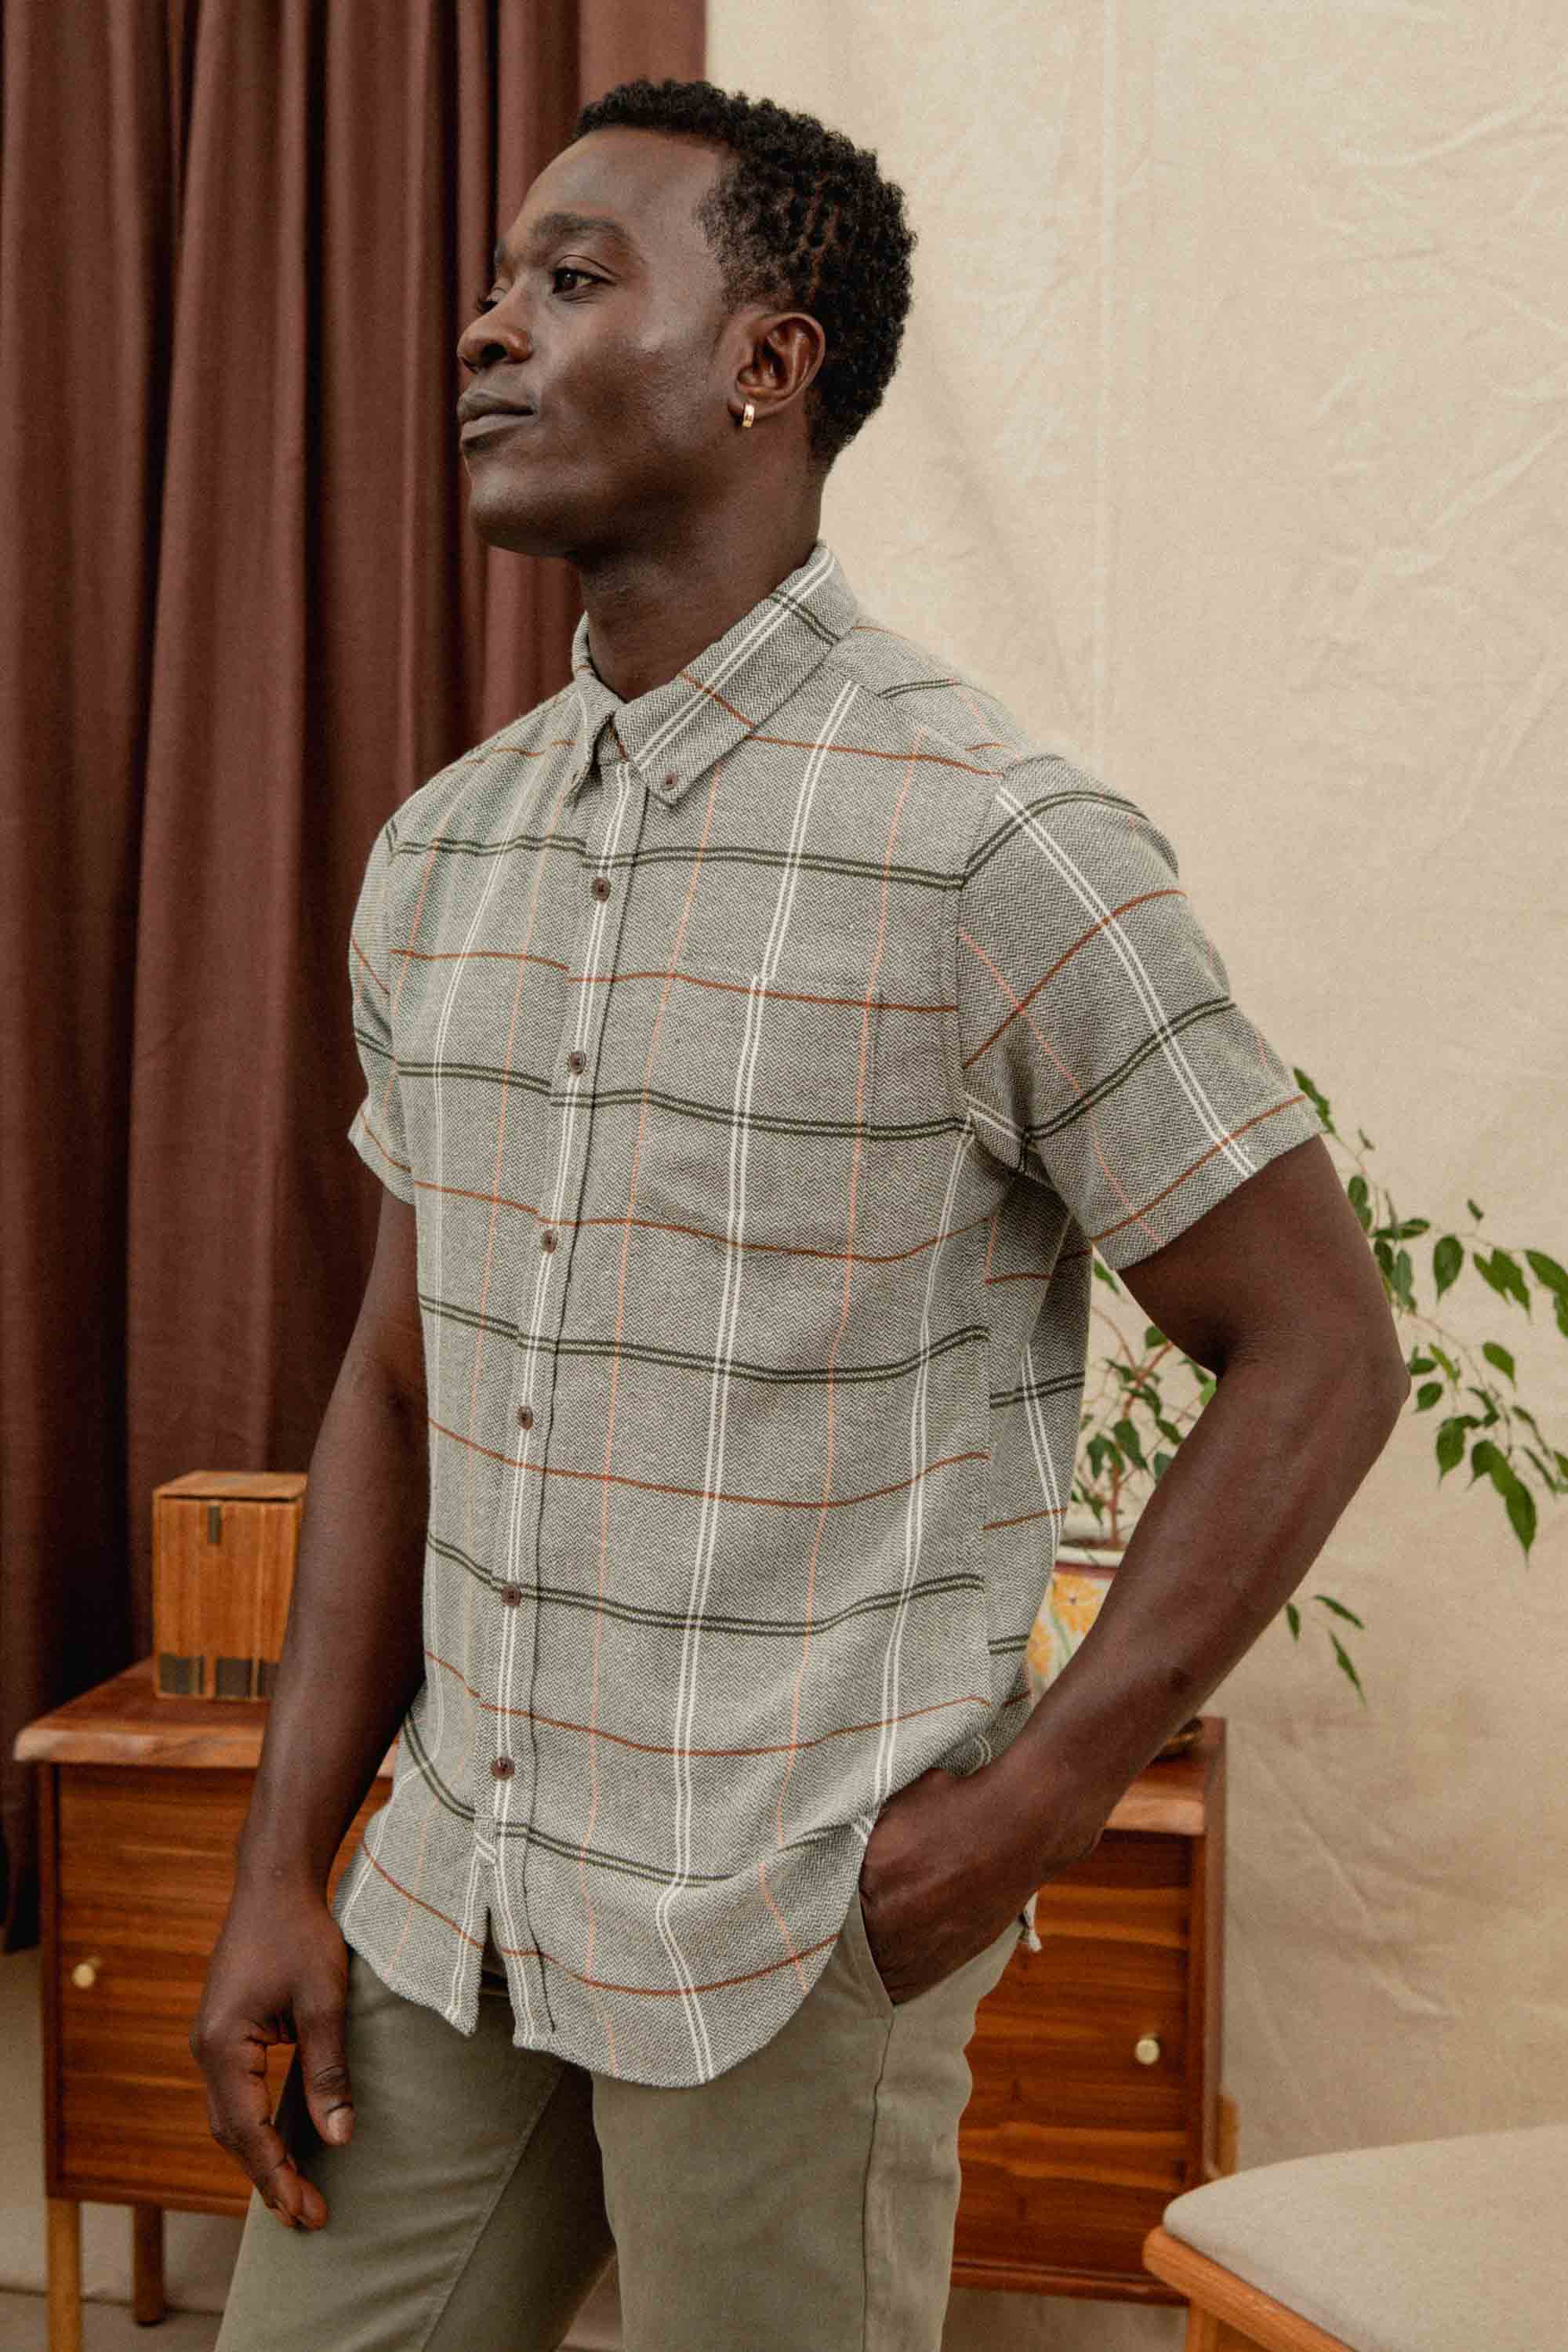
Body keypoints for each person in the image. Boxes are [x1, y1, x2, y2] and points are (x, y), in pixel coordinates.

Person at [194, 73, 1410, 2352]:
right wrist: (286, 1866)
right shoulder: (438, 860)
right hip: (451, 1902)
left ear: (771, 361)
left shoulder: (999, 844)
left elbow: (1322, 1352)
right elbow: (396, 1374)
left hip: (786, 1930)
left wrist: (1024, 1812)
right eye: (489, 285)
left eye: (572, 280)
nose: (488, 331)